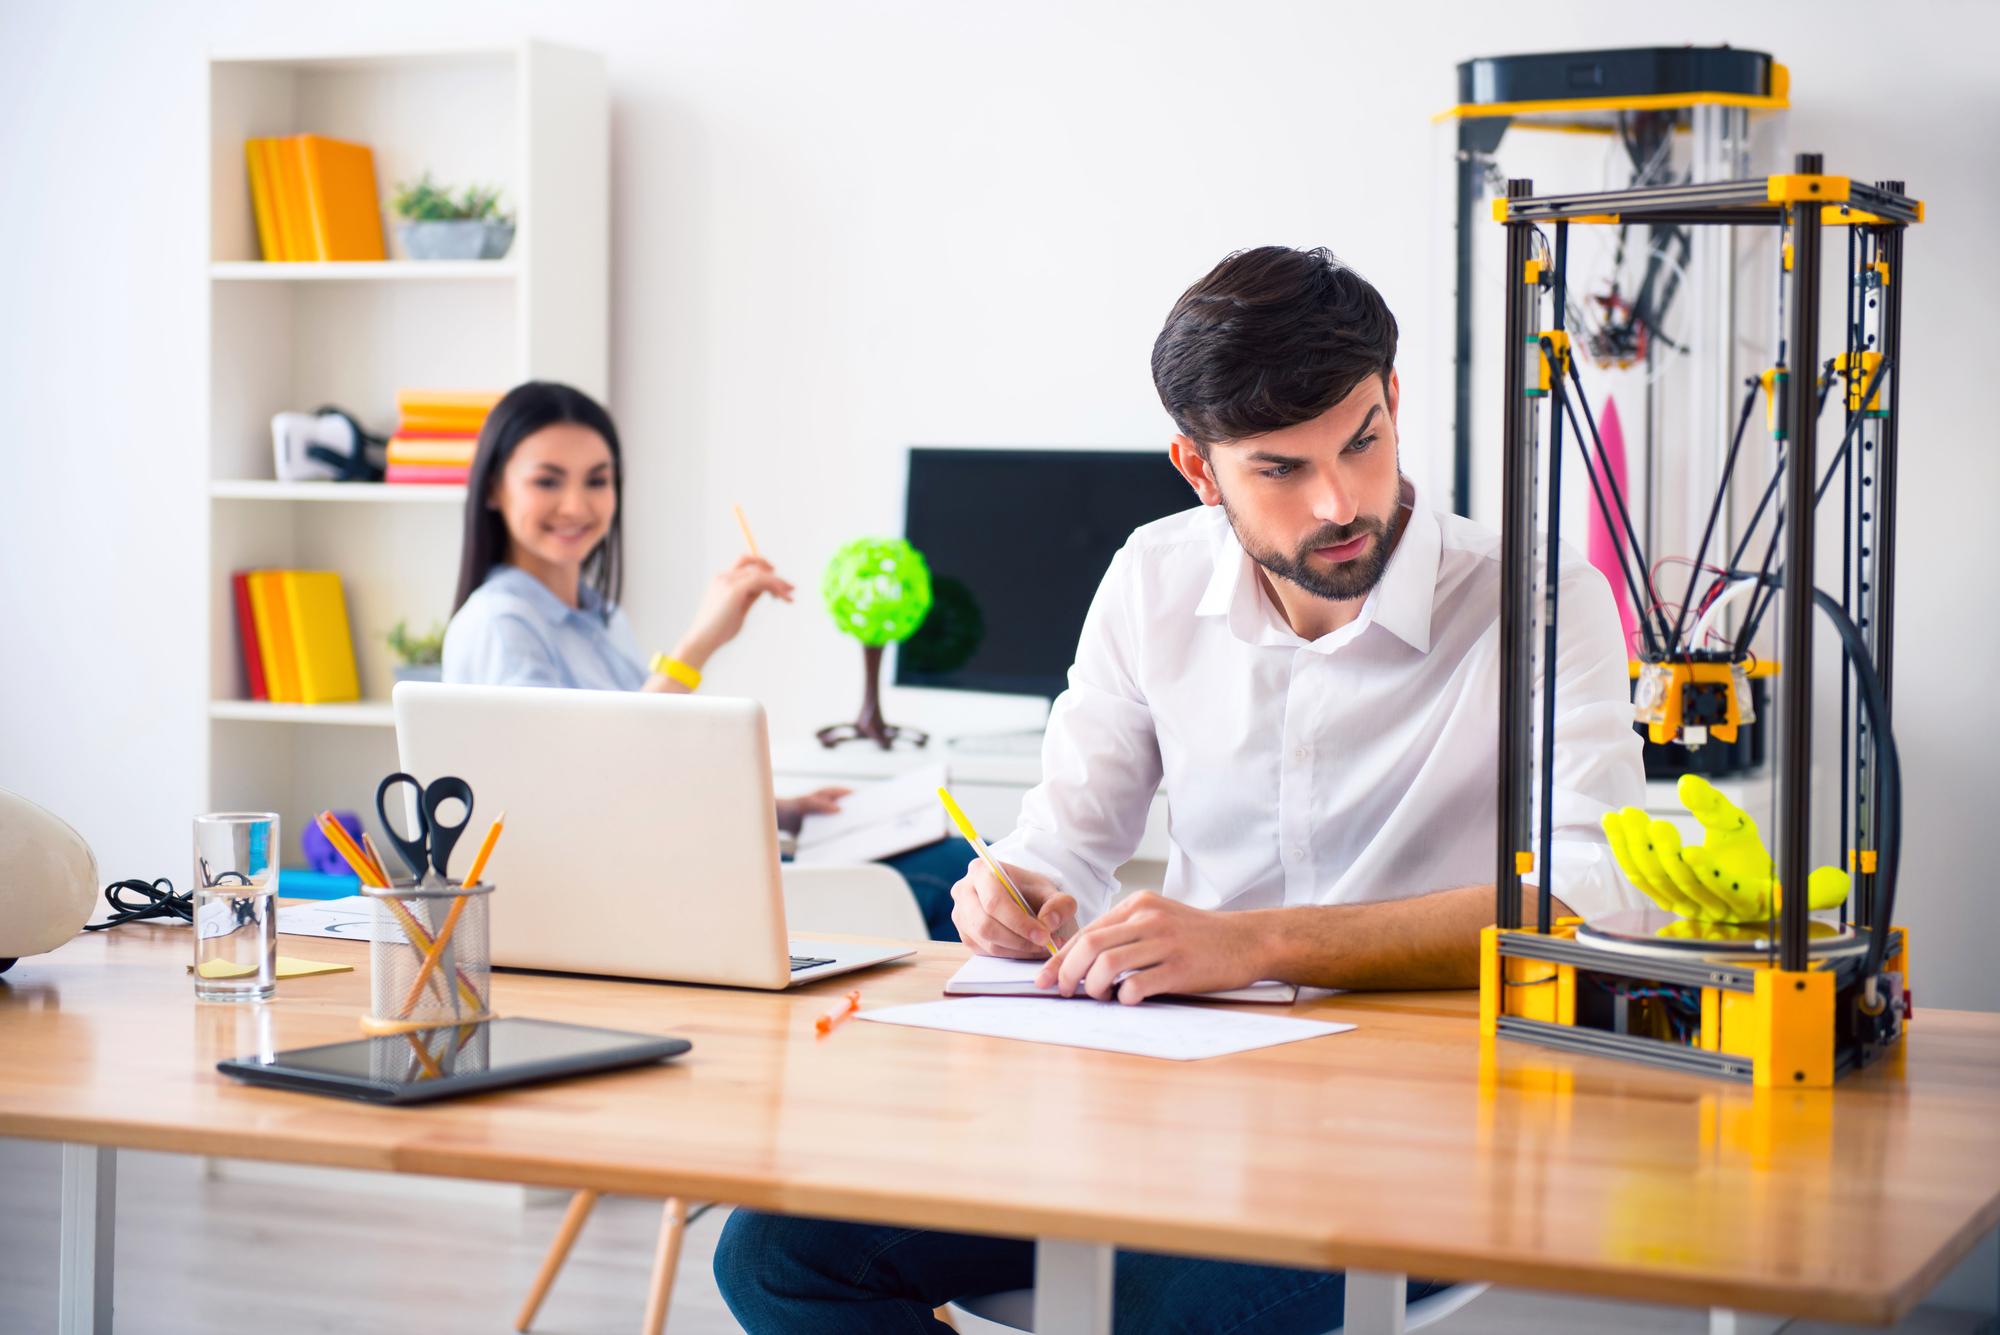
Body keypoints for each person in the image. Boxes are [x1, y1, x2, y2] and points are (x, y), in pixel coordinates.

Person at [713, 247, 1646, 1332]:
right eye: (1277, 470)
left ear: (1393, 401)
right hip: (1174, 1100)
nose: (1340, 501)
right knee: (779, 1252)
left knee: (1180, 1304)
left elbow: (1593, 893)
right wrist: (1011, 891)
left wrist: (1256, 945)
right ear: (1197, 471)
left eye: (1361, 443)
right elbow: (1062, 839)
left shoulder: (1537, 597)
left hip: (1423, 1127)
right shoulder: (1151, 578)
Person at [441, 381, 968, 938]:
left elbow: (648, 778)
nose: (577, 505)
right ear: (494, 488)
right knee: (960, 879)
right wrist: (698, 645)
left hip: (678, 864)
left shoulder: (601, 618)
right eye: (548, 481)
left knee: (959, 858)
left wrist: (779, 811)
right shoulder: (502, 625)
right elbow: (583, 792)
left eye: (597, 481)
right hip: (631, 897)